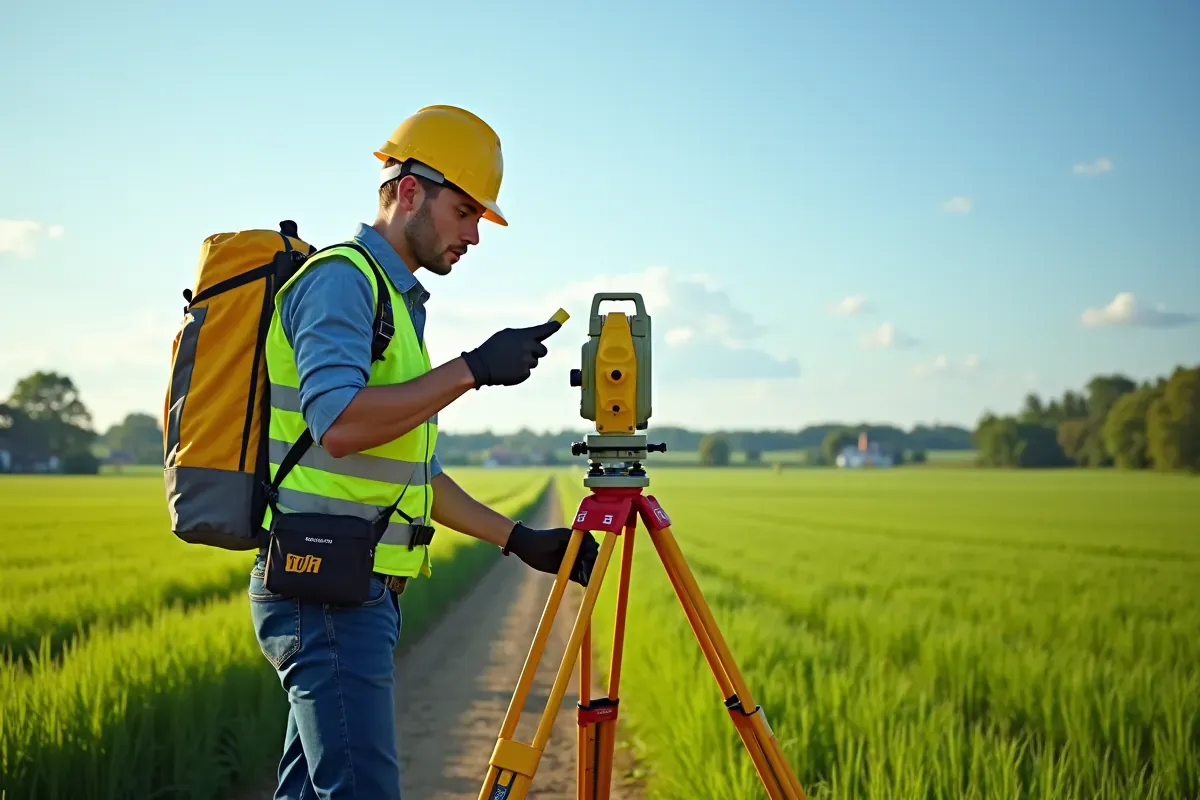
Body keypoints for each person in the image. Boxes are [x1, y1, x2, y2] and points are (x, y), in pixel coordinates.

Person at [247, 104, 600, 800]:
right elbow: (340, 424)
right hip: (324, 588)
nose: (474, 234)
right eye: (465, 211)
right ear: (409, 191)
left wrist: (519, 539)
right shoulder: (342, 281)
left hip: (351, 587)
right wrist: (471, 369)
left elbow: (413, 473)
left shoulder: (395, 303)